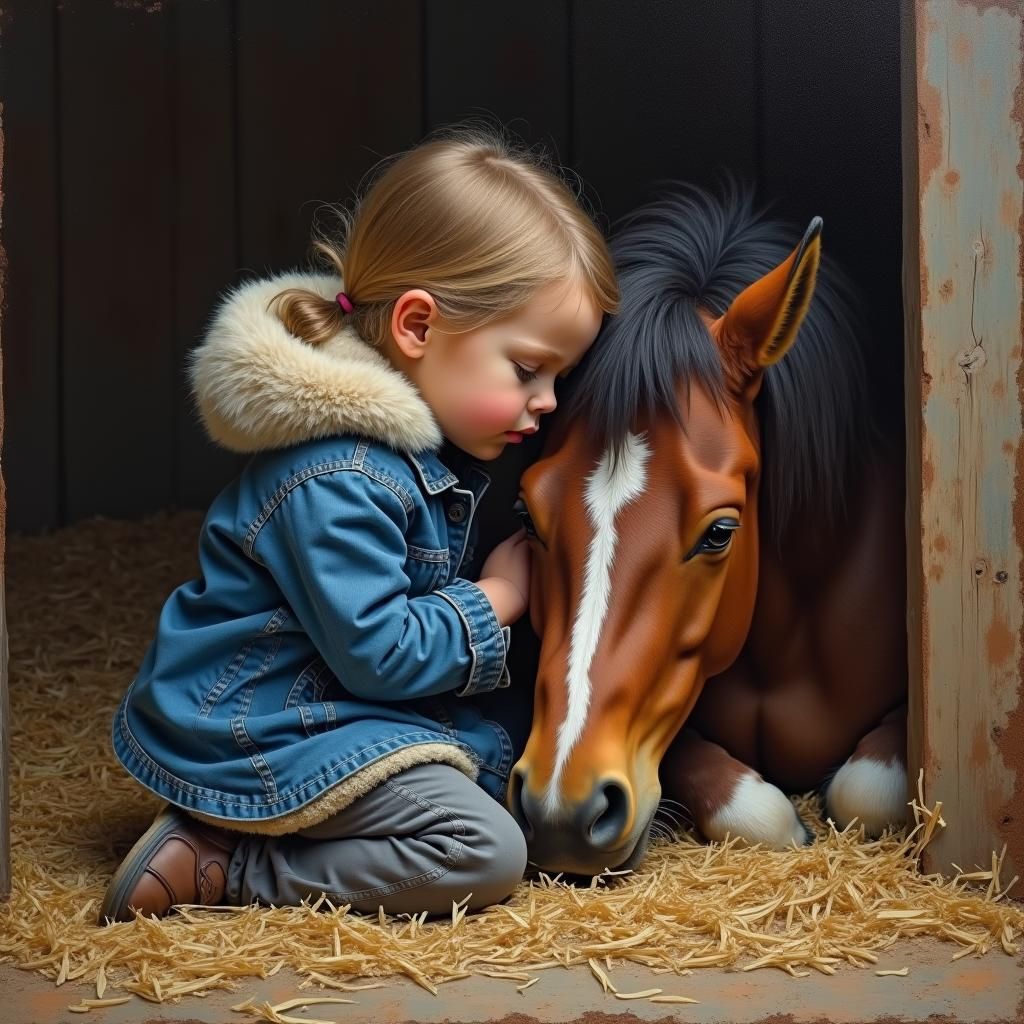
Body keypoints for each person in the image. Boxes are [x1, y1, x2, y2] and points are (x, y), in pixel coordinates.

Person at [99, 128, 619, 925]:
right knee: (482, 849)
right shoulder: (338, 476)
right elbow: (379, 653)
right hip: (262, 729)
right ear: (416, 327)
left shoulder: (412, 447)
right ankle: (228, 862)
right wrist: (498, 597)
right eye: (526, 369)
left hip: (328, 710)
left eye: (559, 376)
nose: (547, 401)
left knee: (521, 754)